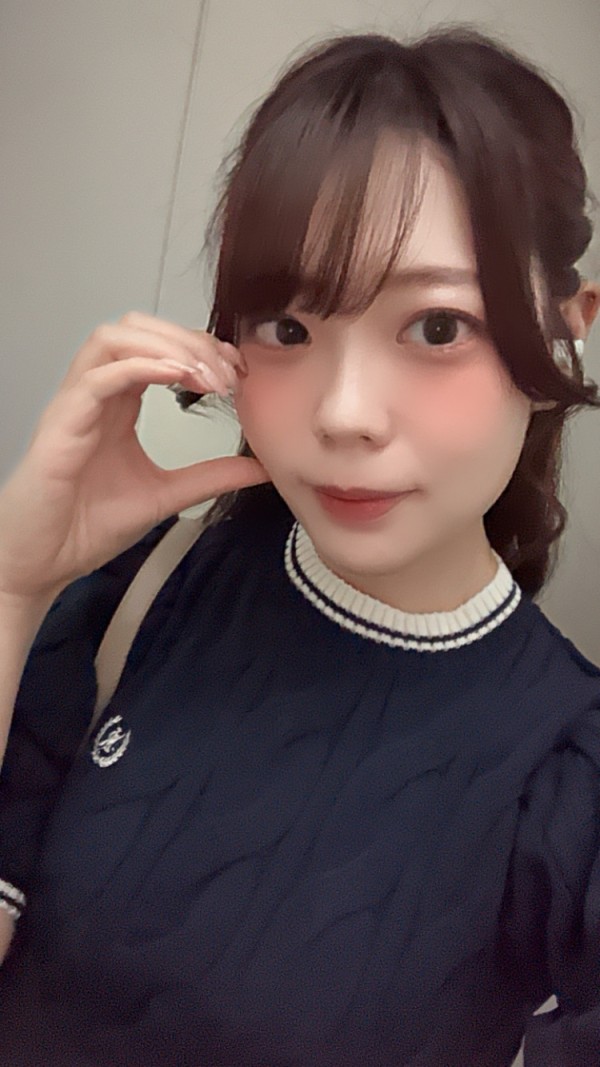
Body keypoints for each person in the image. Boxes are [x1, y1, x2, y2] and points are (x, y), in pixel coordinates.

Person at [0, 22, 599, 1067]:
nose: (344, 414)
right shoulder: (147, 587)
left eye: (437, 327)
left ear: (565, 328)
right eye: (287, 327)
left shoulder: (565, 770)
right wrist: (13, 587)